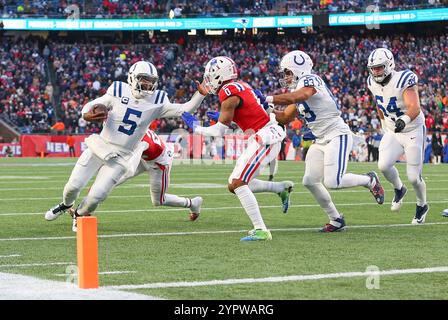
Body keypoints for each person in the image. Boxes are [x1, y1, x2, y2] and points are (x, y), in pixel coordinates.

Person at [45, 61, 208, 232]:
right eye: (144, 80)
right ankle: (65, 205)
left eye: (151, 81)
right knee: (73, 186)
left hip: (123, 156)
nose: (148, 85)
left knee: (97, 195)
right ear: (132, 78)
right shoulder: (117, 90)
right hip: (100, 145)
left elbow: (184, 108)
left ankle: (79, 215)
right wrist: (86, 113)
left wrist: (200, 95)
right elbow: (92, 105)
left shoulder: (158, 101)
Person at [264, 50, 384, 232]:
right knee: (310, 181)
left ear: (299, 69)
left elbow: (301, 96)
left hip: (337, 134)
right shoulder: (296, 89)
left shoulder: (310, 80)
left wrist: (268, 98)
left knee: (333, 182)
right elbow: (286, 117)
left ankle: (369, 180)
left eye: (288, 72)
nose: (286, 77)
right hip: (320, 140)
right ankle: (336, 219)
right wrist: (266, 110)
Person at [182, 56, 294, 241]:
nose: (208, 80)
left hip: (265, 137)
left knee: (238, 182)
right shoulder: (239, 85)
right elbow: (248, 115)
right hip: (264, 135)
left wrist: (196, 127)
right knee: (234, 184)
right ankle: (279, 188)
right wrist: (225, 116)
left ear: (220, 75)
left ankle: (261, 230)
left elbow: (219, 131)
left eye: (211, 75)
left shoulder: (227, 91)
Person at [367, 48, 429, 224]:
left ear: (389, 65)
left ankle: (422, 205)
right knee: (384, 165)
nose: (375, 71)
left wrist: (404, 119)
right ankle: (399, 189)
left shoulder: (403, 79)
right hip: (393, 130)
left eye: (379, 67)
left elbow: (415, 107)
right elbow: (380, 103)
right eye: (373, 68)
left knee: (414, 177)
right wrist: (383, 123)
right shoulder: (371, 82)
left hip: (412, 130)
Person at [114, 129, 203, 220]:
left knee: (158, 200)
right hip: (146, 157)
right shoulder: (135, 128)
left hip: (159, 164)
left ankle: (192, 203)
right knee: (118, 175)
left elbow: (130, 169)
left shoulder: (140, 141)